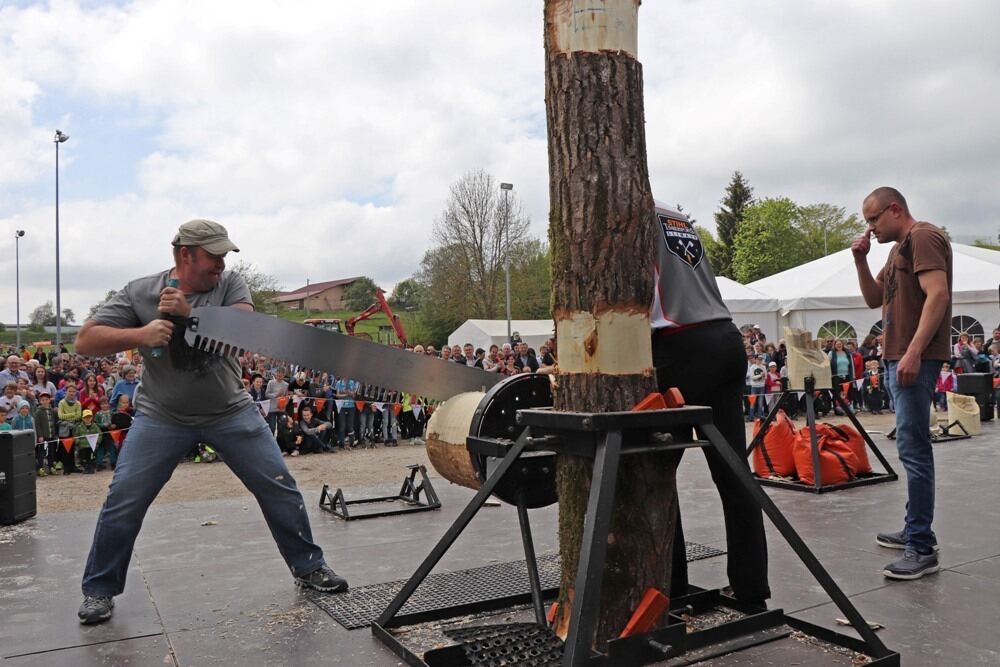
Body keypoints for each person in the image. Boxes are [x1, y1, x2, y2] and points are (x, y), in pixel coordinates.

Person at [74, 219, 347, 626]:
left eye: (223, 257)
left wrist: (192, 315)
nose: (220, 264)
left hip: (230, 411)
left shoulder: (231, 285)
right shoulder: (139, 292)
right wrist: (141, 334)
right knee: (123, 502)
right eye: (213, 257)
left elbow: (244, 332)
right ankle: (99, 590)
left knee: (280, 489)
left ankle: (309, 567)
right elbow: (85, 340)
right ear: (186, 255)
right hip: (161, 416)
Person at [650, 206, 769, 608]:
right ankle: (752, 586)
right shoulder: (675, 217)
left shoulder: (628, 213)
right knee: (734, 471)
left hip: (678, 344)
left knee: (653, 471)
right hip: (724, 337)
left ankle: (671, 587)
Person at [852, 187, 951, 580]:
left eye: (875, 219)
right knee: (910, 447)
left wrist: (913, 352)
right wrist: (860, 261)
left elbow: (938, 295)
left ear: (896, 209)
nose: (871, 228)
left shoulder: (923, 237)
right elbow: (873, 297)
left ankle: (921, 547)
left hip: (913, 359)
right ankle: (915, 530)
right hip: (899, 358)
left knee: (914, 449)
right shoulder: (897, 250)